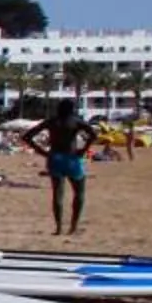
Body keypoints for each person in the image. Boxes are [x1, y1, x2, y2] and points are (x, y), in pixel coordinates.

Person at [22, 97, 93, 235]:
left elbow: (27, 137)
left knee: (57, 194)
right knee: (79, 192)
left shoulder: (52, 121)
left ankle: (59, 227)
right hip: (72, 158)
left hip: (55, 158)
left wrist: (43, 152)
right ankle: (73, 226)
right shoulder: (75, 121)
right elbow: (93, 135)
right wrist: (83, 150)